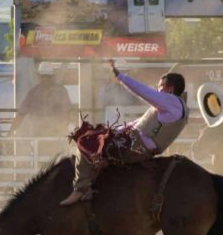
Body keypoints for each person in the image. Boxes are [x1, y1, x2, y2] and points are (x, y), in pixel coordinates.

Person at [61, 60, 188, 206]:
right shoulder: (177, 106)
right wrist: (114, 131)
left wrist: (120, 76)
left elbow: (143, 91)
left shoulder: (170, 102)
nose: (157, 90)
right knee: (99, 138)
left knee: (87, 141)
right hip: (138, 144)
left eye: (160, 87)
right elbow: (139, 123)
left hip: (134, 146)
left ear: (170, 89)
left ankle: (81, 188)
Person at [11, 62, 74, 138]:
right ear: (39, 77)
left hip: (56, 134)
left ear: (52, 77)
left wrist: (62, 128)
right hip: (39, 133)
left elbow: (66, 112)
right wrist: (11, 131)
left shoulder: (61, 91)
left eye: (47, 76)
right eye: (43, 76)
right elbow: (21, 114)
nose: (45, 79)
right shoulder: (33, 93)